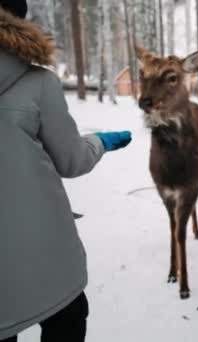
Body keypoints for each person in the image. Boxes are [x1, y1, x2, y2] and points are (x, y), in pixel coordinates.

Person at [0, 1, 132, 341]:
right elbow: (72, 161)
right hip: (45, 256)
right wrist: (100, 142)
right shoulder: (38, 83)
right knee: (68, 317)